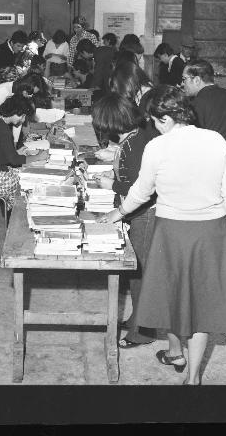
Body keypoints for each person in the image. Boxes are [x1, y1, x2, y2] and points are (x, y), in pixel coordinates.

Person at [99, 86, 226, 385]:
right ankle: (193, 378)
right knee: (202, 305)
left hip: (171, 232)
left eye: (153, 121)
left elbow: (141, 191)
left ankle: (176, 352)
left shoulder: (158, 146)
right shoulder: (216, 141)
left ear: (164, 119)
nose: (153, 127)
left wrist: (119, 212)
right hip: (212, 231)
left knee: (172, 297)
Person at [91, 93, 158, 348]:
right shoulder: (134, 138)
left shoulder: (134, 146)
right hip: (139, 213)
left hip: (146, 214)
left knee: (141, 274)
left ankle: (143, 332)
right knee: (135, 273)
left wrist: (114, 184)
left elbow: (142, 189)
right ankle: (137, 319)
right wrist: (115, 175)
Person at [182, 60, 226, 186]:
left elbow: (192, 145)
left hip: (207, 173)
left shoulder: (194, 105)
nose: (182, 83)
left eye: (184, 79)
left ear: (196, 80)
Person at [0, 96, 39, 225]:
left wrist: (15, 152)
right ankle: (15, 220)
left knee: (19, 173)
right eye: (22, 116)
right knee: (28, 181)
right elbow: (14, 160)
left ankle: (9, 214)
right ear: (15, 113)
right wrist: (38, 157)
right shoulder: (3, 130)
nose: (23, 120)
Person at [91, 32, 118, 97]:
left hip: (105, 77)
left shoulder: (103, 50)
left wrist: (96, 84)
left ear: (109, 41)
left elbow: (99, 68)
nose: (103, 43)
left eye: (104, 41)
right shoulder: (116, 50)